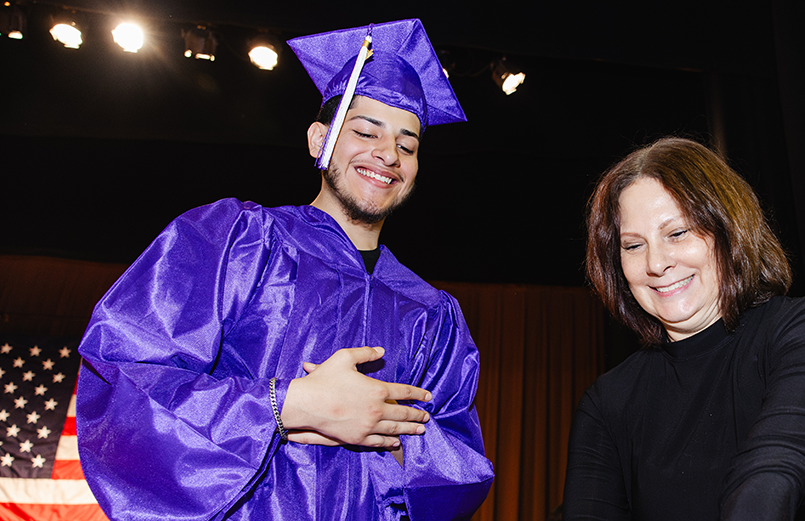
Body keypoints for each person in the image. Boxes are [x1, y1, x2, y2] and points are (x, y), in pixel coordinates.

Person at [76, 19, 494, 521]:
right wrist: (288, 405)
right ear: (320, 139)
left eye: (408, 145)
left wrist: (392, 436)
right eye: (365, 131)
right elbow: (124, 375)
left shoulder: (432, 314)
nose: (388, 154)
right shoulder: (234, 239)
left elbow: (465, 469)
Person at [563, 137, 805, 520]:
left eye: (677, 233)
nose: (656, 263)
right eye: (633, 246)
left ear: (727, 230)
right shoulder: (606, 404)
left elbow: (767, 484)